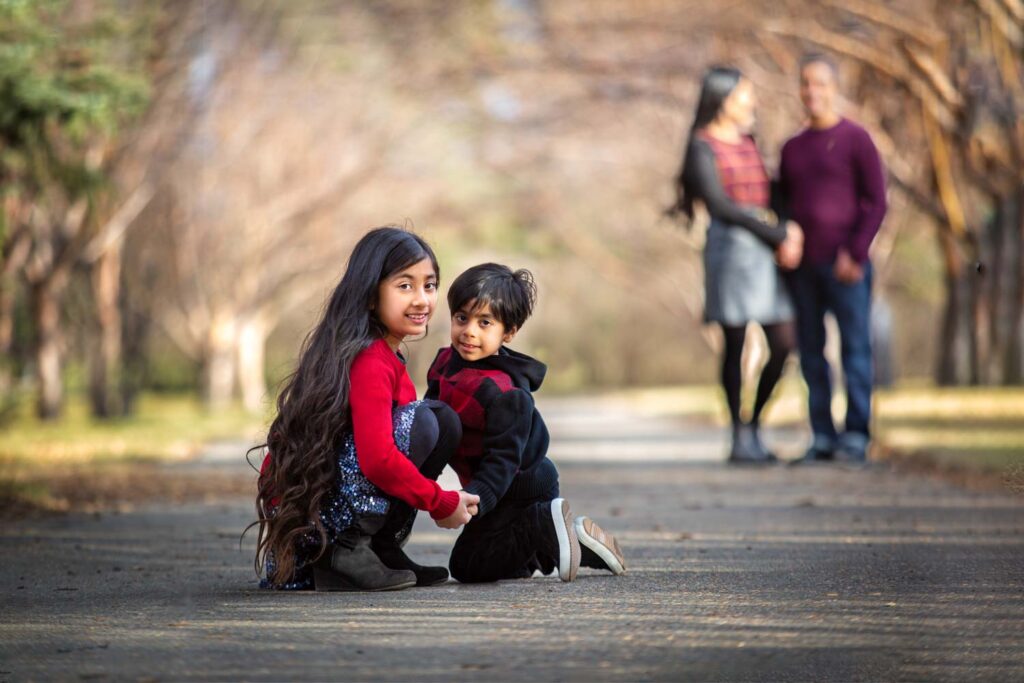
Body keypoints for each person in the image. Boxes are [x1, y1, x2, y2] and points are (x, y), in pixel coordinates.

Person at [254, 227, 480, 591]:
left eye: (430, 285)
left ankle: (380, 549)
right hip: (314, 527)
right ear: (371, 294)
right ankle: (345, 550)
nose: (422, 299)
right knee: (424, 421)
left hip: (327, 509)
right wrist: (440, 502)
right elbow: (377, 459)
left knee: (441, 419)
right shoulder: (368, 359)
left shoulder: (386, 353)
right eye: (405, 286)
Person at [426, 263, 626, 583]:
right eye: (462, 318)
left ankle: (542, 523)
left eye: (485, 322)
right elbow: (430, 423)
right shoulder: (442, 366)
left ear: (509, 332)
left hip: (523, 488)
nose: (469, 331)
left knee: (469, 567)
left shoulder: (506, 394)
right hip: (496, 488)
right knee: (510, 566)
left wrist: (470, 503)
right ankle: (572, 539)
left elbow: (502, 463)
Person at [670, 66, 804, 463]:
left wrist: (786, 228)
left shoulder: (749, 140)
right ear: (723, 98)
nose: (752, 101)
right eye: (745, 94)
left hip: (763, 250)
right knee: (735, 342)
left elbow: (770, 194)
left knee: (783, 343)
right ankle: (739, 436)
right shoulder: (701, 145)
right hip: (729, 251)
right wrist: (778, 235)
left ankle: (754, 425)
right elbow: (720, 206)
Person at [779, 54, 887, 465]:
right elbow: (785, 205)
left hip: (847, 267)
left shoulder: (856, 139)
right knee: (810, 352)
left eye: (820, 83)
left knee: (856, 350)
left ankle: (856, 435)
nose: (812, 91)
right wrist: (785, 239)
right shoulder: (791, 148)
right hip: (803, 270)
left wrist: (856, 253)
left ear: (834, 88)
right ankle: (822, 436)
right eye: (806, 83)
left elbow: (876, 202)